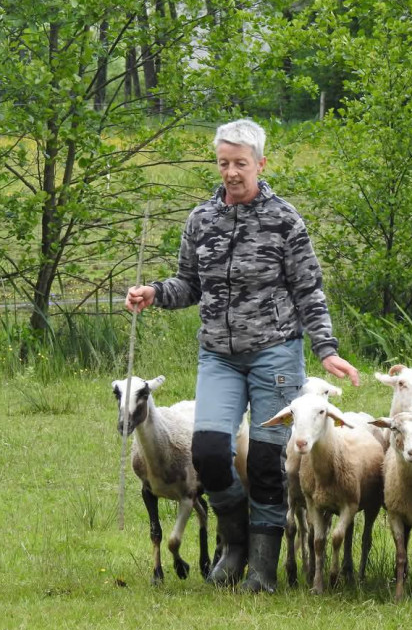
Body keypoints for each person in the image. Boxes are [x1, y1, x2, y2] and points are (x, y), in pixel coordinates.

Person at [126, 118, 359, 593]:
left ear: (260, 163)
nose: (231, 172)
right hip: (219, 356)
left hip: (276, 352)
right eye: (223, 163)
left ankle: (263, 570)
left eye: (240, 163)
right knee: (210, 454)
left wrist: (326, 349)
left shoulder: (285, 220)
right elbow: (188, 283)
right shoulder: (201, 219)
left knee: (267, 463)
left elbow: (309, 289)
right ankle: (235, 544)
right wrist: (155, 292)